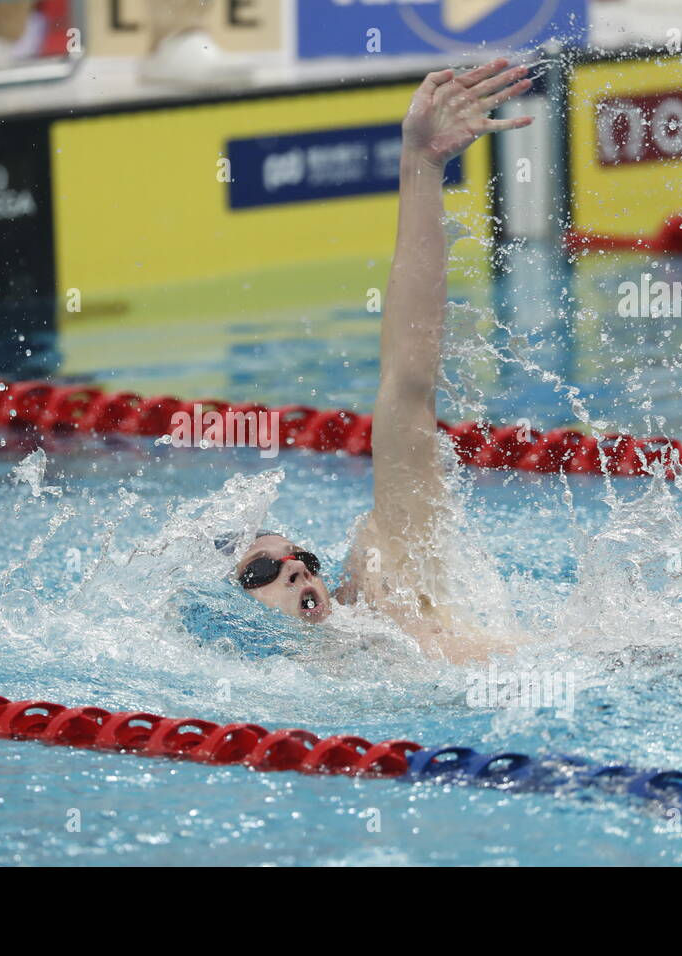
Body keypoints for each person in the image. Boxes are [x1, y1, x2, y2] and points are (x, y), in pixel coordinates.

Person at [229, 59, 534, 665]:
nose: (294, 567)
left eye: (300, 558)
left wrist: (421, 167)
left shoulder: (381, 595)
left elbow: (408, 385)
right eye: (261, 569)